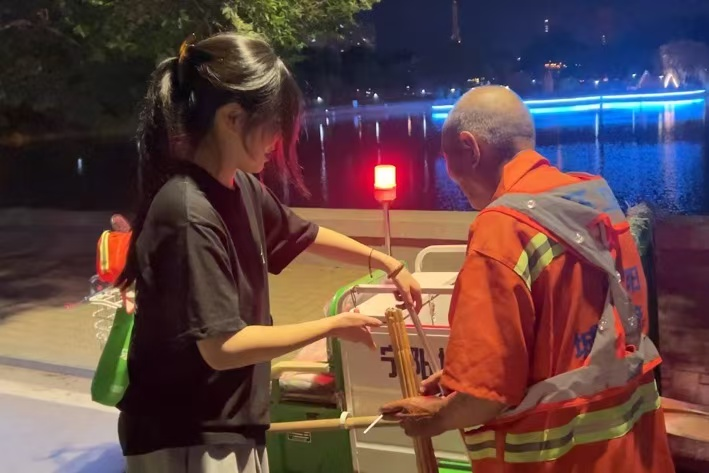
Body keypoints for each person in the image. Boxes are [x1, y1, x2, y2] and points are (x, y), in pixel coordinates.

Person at [115, 33, 422, 473]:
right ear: (232, 118)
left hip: (230, 425)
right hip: (188, 435)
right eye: (274, 125)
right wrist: (333, 325)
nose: (278, 141)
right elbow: (224, 346)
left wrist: (387, 263)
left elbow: (304, 234)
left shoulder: (241, 187)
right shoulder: (187, 211)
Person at [380, 86, 676, 472]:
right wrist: (465, 378)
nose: (451, 178)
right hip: (634, 451)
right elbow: (594, 343)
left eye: (448, 160)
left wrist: (436, 416)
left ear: (469, 148)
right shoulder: (596, 204)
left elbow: (485, 398)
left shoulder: (501, 231)